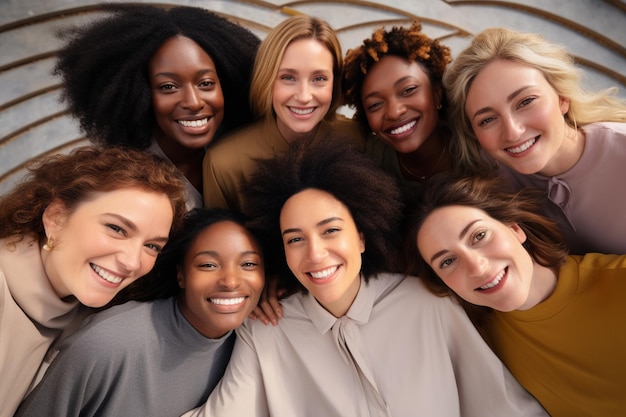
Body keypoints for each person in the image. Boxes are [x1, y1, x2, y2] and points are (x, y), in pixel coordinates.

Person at [181, 139, 548, 417]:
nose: (315, 253)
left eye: (330, 231)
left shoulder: (427, 302)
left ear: (360, 236)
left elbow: (502, 404)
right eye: (295, 239)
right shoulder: (265, 330)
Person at [408, 172, 626, 417]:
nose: (477, 267)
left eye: (479, 236)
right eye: (447, 261)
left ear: (515, 229)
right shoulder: (478, 340)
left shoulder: (619, 281)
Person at [14, 208, 265, 416]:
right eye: (208, 264)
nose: (231, 281)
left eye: (249, 264)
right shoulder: (108, 343)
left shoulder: (253, 341)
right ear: (181, 275)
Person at [0, 146, 187, 417]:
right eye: (116, 229)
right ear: (56, 218)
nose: (133, 262)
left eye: (152, 246)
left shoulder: (87, 314)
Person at [54, 4, 260, 210]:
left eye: (205, 83)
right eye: (168, 87)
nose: (194, 102)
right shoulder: (121, 183)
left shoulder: (244, 150)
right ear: (139, 93)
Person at [443, 27, 626, 254]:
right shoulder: (492, 179)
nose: (513, 132)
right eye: (488, 119)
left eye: (526, 101)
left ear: (562, 98)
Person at [202, 14, 363, 212]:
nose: (304, 96)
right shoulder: (224, 164)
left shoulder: (359, 140)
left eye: (319, 78)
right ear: (267, 78)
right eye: (288, 77)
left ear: (335, 82)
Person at [343, 21, 454, 201]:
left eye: (408, 90)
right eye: (375, 105)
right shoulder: (369, 163)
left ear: (437, 93)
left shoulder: (476, 144)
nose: (394, 112)